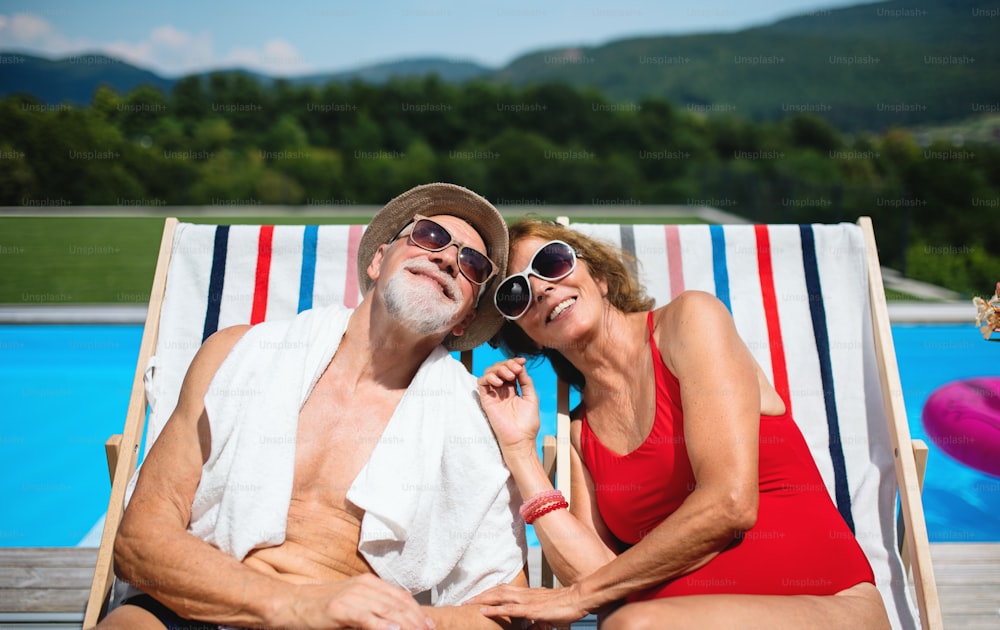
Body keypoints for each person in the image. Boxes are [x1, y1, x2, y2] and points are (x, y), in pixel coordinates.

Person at [96, 183, 528, 630]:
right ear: (378, 261)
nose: (445, 258)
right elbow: (139, 541)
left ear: (465, 320)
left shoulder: (473, 424)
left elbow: (504, 610)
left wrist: (398, 619)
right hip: (205, 601)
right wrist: (295, 607)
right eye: (430, 236)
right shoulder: (234, 356)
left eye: (472, 264)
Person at [472, 220, 891, 629]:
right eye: (516, 294)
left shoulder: (690, 322)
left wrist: (577, 598)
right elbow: (590, 577)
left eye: (552, 262)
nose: (541, 287)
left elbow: (730, 504)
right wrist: (519, 452)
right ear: (527, 335)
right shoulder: (583, 432)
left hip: (825, 604)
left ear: (598, 277)